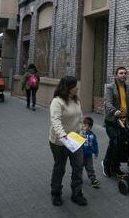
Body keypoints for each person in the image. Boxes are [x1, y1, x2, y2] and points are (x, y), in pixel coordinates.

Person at [49, 76, 87, 206]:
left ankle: (77, 193)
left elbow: (80, 119)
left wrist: (82, 133)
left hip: (75, 141)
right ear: (67, 87)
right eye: (74, 86)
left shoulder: (76, 100)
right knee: (60, 168)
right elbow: (55, 121)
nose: (77, 88)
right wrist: (63, 136)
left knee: (78, 166)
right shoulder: (57, 101)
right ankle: (56, 193)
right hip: (59, 142)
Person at [102, 66, 129, 177]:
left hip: (124, 122)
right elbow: (107, 103)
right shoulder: (110, 87)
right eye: (121, 73)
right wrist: (115, 111)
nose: (123, 75)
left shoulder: (128, 88)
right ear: (116, 75)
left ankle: (116, 166)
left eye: (125, 73)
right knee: (114, 142)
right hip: (112, 121)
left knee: (123, 144)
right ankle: (106, 164)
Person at [81, 117, 100, 189]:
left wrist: (96, 152)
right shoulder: (81, 134)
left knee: (90, 168)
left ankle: (93, 180)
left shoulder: (92, 135)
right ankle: (76, 178)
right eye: (83, 125)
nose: (84, 127)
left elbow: (95, 144)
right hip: (81, 155)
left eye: (86, 125)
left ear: (90, 127)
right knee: (78, 168)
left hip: (89, 156)